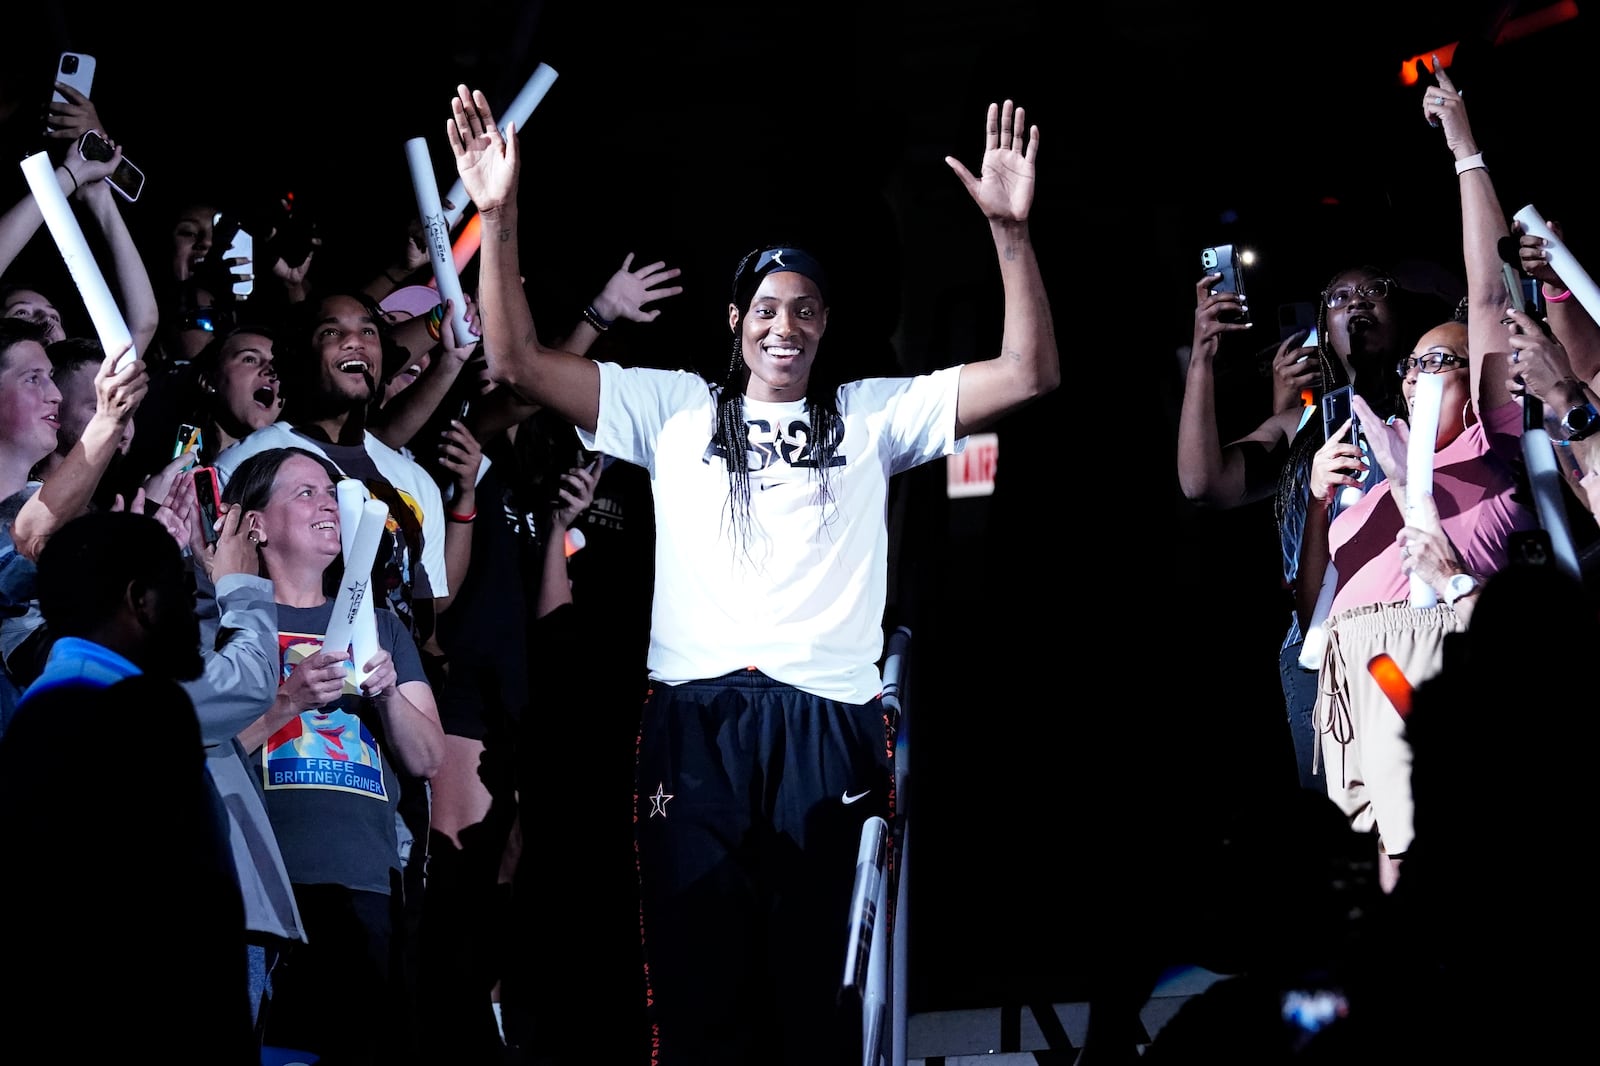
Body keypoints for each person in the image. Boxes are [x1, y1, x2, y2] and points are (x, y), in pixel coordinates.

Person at [449, 85, 1059, 1064]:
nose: (786, 323)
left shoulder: (869, 415)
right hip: (696, 727)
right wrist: (501, 213)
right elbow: (517, 363)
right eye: (768, 306)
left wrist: (1009, 234)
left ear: (825, 326)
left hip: (828, 722)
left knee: (812, 1004)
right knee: (696, 1003)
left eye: (806, 309)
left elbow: (1028, 373)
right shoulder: (674, 408)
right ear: (736, 317)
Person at [1301, 60, 1537, 892]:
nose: (1423, 372)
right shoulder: (1369, 454)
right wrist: (1323, 504)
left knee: (1444, 854)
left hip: (1441, 643)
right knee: (1391, 858)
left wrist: (1466, 151)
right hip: (1360, 664)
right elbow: (1310, 604)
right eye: (1415, 363)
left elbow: (1482, 289)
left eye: (1447, 360)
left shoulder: (1485, 449)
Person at [0, 509, 257, 1064]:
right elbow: (184, 922)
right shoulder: (141, 712)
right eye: (181, 592)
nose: (192, 614)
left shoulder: (39, 711)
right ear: (141, 601)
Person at [220, 445, 445, 1066]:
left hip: (365, 883)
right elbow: (199, 756)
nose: (326, 503)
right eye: (304, 493)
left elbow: (428, 758)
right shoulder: (228, 622)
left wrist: (389, 695)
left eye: (330, 492)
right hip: (264, 890)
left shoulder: (383, 624)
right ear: (255, 525)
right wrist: (286, 703)